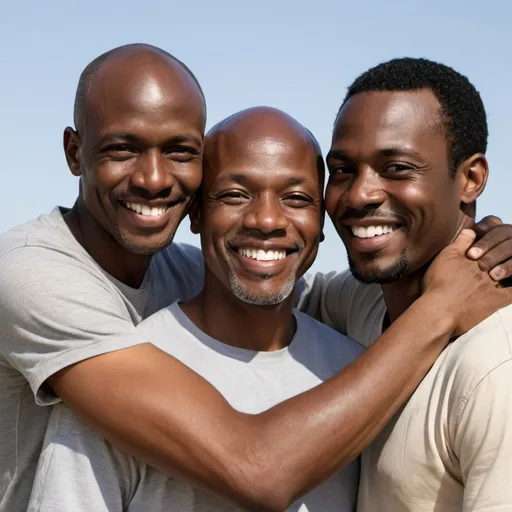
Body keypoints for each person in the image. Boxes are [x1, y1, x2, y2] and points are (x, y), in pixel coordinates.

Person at [1, 43, 511, 511]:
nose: (152, 179)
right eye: (122, 148)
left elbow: (287, 286)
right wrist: (444, 305)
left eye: (178, 150)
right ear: (74, 151)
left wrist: (483, 250)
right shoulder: (31, 276)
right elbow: (258, 469)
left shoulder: (332, 328)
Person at [321, 57, 512, 511]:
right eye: (343, 169)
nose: (359, 194)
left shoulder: (495, 365)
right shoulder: (359, 303)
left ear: (471, 179)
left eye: (398, 168)